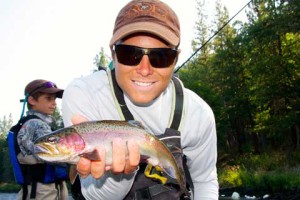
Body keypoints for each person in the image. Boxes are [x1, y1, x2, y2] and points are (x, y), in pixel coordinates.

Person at [62, 0, 219, 199]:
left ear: (175, 60)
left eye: (161, 57)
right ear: (113, 54)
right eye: (130, 54)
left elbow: (205, 181)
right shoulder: (84, 95)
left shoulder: (198, 113)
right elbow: (94, 195)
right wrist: (120, 174)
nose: (145, 70)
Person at [16, 79, 69, 200]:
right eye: (48, 98)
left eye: (54, 99)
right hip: (43, 190)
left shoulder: (26, 123)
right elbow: (54, 153)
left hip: (33, 188)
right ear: (32, 100)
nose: (54, 103)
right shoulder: (38, 124)